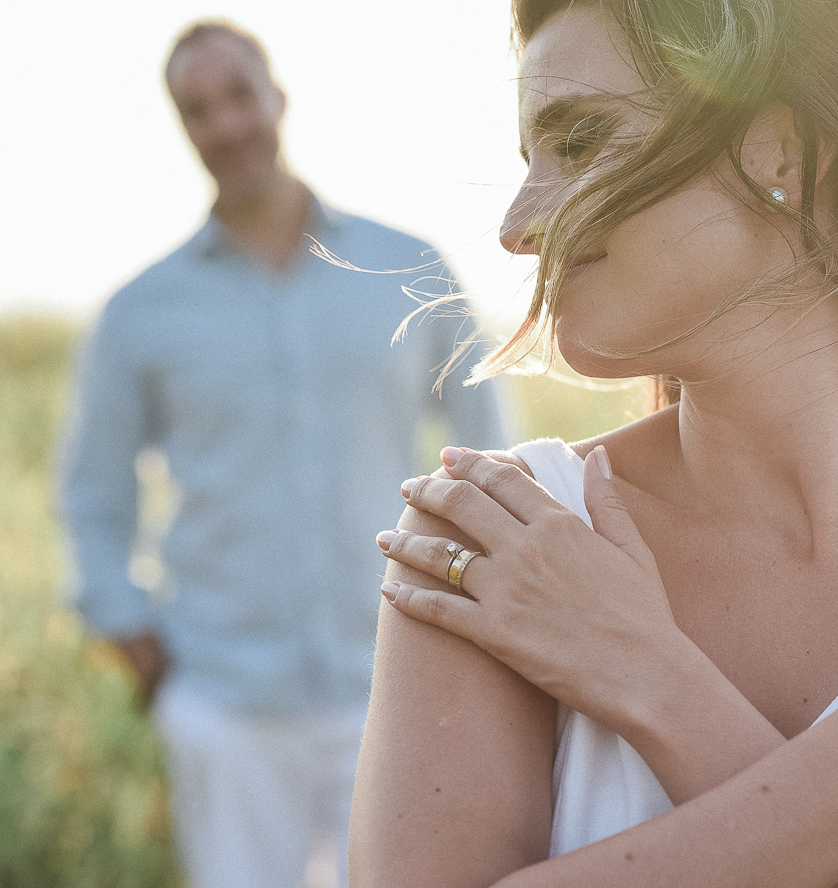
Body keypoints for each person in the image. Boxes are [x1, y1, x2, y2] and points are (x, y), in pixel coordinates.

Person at [349, 1, 838, 886]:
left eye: (579, 142)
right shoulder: (499, 535)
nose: (517, 226)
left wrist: (652, 678)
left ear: (782, 151)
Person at [57, 18, 509, 888]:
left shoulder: (405, 267)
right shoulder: (139, 312)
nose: (224, 124)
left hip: (396, 689)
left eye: (238, 96)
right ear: (182, 127)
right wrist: (134, 636)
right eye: (198, 109)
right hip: (225, 701)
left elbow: (491, 441)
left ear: (277, 98)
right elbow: (95, 493)